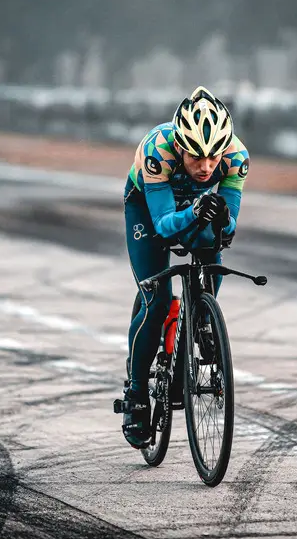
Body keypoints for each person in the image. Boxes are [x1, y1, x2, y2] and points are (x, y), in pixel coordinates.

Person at [120, 85, 250, 449]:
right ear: (180, 146)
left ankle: (202, 318)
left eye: (213, 157)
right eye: (196, 157)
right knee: (157, 299)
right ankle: (136, 393)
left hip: (193, 207)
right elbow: (162, 226)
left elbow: (227, 232)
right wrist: (195, 211)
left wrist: (222, 218)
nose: (207, 167)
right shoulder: (156, 151)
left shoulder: (236, 157)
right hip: (148, 207)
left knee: (212, 248)